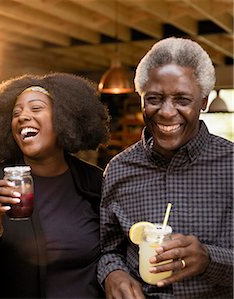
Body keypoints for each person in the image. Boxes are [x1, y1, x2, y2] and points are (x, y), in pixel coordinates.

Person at [98, 37, 233, 298]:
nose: (167, 112)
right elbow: (109, 250)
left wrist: (208, 259)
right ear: (141, 99)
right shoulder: (118, 170)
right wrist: (113, 273)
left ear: (203, 101)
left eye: (182, 99)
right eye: (155, 98)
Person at [0, 73, 110, 298]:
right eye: (16, 113)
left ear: (64, 118)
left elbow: (114, 254)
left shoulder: (94, 183)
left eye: (36, 109)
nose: (23, 116)